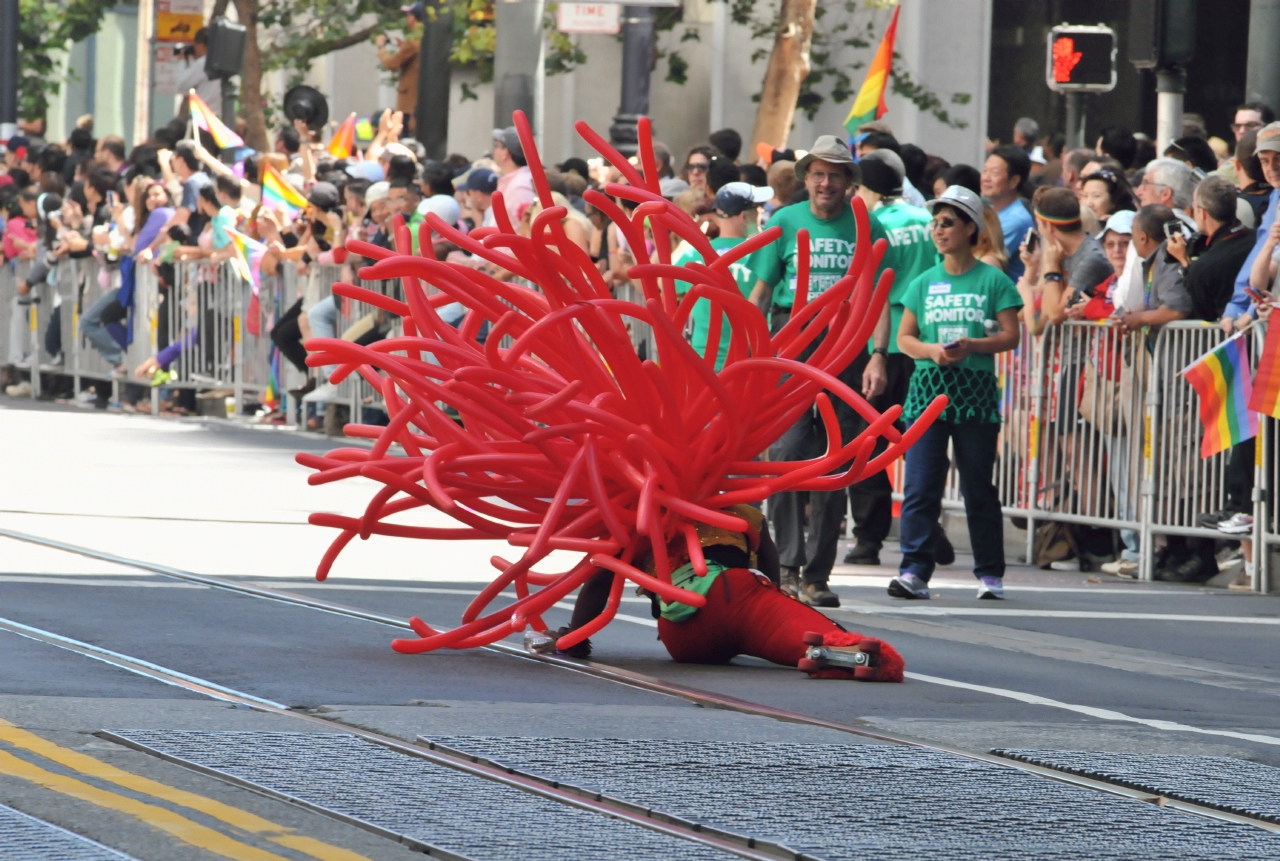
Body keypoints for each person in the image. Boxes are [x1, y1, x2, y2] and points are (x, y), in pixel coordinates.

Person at [891, 185, 1022, 600]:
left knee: (977, 485)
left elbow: (1010, 335)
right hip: (927, 392)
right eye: (935, 223)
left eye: (948, 223)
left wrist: (972, 347)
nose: (938, 230)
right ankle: (913, 569)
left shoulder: (993, 280)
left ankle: (989, 574)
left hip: (975, 395)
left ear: (971, 228)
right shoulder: (924, 283)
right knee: (921, 485)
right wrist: (931, 351)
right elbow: (905, 338)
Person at [747, 135, 862, 607]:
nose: (825, 182)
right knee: (789, 453)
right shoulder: (784, 221)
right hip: (790, 345)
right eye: (818, 173)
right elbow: (758, 294)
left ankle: (818, 574)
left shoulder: (865, 227)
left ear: (848, 182)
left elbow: (876, 293)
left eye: (835, 174)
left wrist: (876, 353)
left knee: (836, 461)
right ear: (807, 178)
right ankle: (788, 566)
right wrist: (752, 356)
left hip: (846, 348)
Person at [842, 150, 951, 568]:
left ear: (865, 189)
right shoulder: (929, 221)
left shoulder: (874, 226)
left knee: (869, 439)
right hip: (926, 343)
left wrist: (876, 353)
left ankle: (868, 539)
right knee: (921, 439)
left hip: (881, 343)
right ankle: (926, 527)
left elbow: (871, 290)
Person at [670, 182, 768, 369]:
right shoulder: (761, 255)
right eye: (757, 209)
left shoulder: (695, 253)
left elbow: (664, 286)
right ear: (744, 216)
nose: (761, 212)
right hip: (750, 361)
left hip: (703, 361)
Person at [1020, 187, 1114, 332]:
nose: (1040, 232)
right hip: (1057, 352)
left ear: (1050, 227)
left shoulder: (1092, 259)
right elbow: (1041, 321)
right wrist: (1032, 267)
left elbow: (1055, 315)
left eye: (1039, 225)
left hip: (1083, 353)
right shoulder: (1057, 253)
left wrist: (1051, 270)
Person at [1222, 122, 1280, 336]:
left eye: (1278, 159)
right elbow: (1261, 268)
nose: (1271, 167)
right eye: (1265, 161)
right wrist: (1243, 308)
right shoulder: (1276, 196)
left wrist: (1247, 311)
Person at [981, 145, 1033, 280]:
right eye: (985, 170)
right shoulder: (992, 210)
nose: (986, 178)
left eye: (994, 172)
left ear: (1014, 181)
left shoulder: (1015, 220)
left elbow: (983, 260)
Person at [377, 3, 423, 128]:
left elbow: (391, 64)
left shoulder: (413, 42)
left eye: (408, 15)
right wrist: (403, 47)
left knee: (402, 139)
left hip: (409, 107)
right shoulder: (423, 38)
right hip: (417, 105)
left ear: (413, 18)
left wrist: (381, 48)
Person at [491, 126, 534, 226]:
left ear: (505, 153)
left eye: (497, 145)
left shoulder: (520, 187)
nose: (494, 150)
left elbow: (526, 229)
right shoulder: (519, 181)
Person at [172, 29, 221, 109]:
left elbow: (181, 85)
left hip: (204, 113)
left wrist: (182, 61)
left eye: (195, 45)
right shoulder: (220, 61)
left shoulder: (203, 62)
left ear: (202, 45)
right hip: (217, 115)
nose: (194, 49)